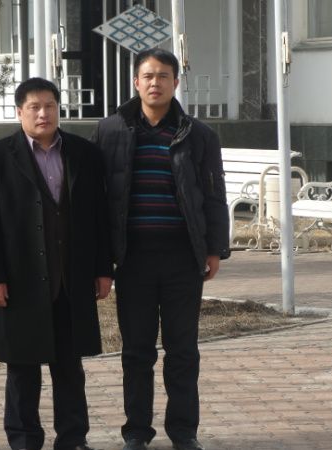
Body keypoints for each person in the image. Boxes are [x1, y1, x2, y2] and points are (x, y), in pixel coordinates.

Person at [91, 48, 230, 450]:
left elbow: (214, 195)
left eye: (163, 76)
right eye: (148, 76)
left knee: (182, 350)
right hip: (132, 258)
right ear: (136, 82)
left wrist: (215, 249)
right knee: (136, 351)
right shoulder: (110, 131)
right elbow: (97, 201)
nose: (155, 83)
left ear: (175, 82)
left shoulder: (198, 134)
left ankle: (184, 431)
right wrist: (101, 261)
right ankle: (137, 431)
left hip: (181, 257)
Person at [0, 77, 112, 450]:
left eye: (49, 106)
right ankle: (24, 440)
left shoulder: (84, 154)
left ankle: (73, 438)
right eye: (34, 107)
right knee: (22, 368)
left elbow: (99, 217)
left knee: (69, 367)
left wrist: (103, 270)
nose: (43, 114)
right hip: (19, 280)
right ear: (19, 112)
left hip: (71, 278)